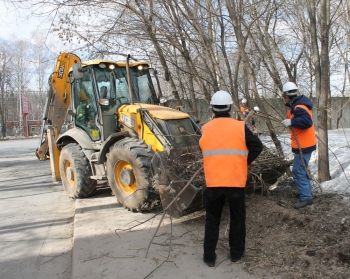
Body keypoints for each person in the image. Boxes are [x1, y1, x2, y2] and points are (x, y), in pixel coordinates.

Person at [199, 90, 263, 267]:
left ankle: (209, 257)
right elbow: (257, 146)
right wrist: (244, 161)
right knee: (237, 218)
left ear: (212, 108)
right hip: (235, 180)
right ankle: (236, 254)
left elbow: (203, 150)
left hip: (214, 182)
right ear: (229, 108)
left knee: (212, 220)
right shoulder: (240, 127)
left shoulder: (205, 129)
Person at [281, 82, 317, 209]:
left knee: (298, 171)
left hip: (304, 145)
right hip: (304, 143)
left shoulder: (299, 107)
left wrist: (291, 121)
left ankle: (306, 197)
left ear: (286, 95)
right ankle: (307, 192)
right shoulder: (297, 105)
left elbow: (307, 121)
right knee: (303, 169)